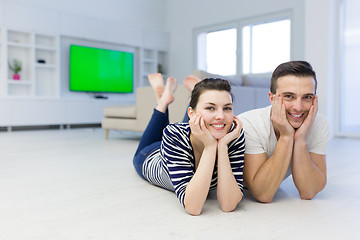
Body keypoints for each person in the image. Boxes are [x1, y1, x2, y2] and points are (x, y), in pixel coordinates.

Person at [133, 73, 245, 215]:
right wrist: (210, 146)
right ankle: (163, 101)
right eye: (211, 107)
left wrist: (222, 146)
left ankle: (190, 97)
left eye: (227, 108)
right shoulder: (174, 134)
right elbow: (193, 207)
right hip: (150, 155)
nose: (221, 116)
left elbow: (229, 204)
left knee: (207, 121)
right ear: (190, 114)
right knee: (195, 123)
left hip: (188, 138)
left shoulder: (233, 135)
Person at [237, 61, 330, 203]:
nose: (298, 107)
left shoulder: (320, 124)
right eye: (289, 96)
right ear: (271, 98)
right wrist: (287, 136)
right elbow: (263, 193)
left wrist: (300, 140)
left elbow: (309, 191)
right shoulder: (249, 124)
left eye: (307, 97)